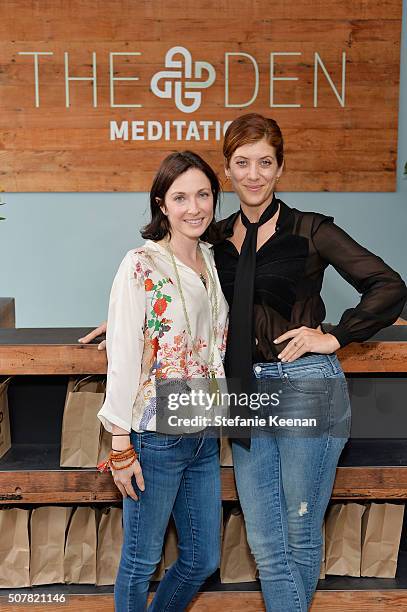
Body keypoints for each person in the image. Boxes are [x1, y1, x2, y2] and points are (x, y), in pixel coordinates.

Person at [80, 114, 407, 612]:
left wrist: (336, 336)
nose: (253, 174)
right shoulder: (215, 241)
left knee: (298, 531)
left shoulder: (311, 230)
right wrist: (125, 319)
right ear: (227, 173)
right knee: (266, 542)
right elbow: (178, 289)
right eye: (241, 163)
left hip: (303, 386)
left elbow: (389, 286)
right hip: (244, 391)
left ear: (280, 168)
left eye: (265, 163)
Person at [93, 150, 228, 611]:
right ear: (162, 204)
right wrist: (119, 444)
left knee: (203, 558)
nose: (194, 207)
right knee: (140, 560)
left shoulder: (212, 259)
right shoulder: (139, 264)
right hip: (154, 438)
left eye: (203, 194)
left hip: (204, 432)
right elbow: (125, 357)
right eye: (181, 196)